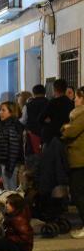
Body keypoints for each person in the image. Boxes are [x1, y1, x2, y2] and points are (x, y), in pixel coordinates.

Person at [62, 87, 84, 238]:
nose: (74, 100)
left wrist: (65, 128)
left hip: (80, 159)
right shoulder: (77, 115)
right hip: (77, 158)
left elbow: (70, 131)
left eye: (77, 97)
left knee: (77, 194)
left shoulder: (81, 114)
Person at [0, 101, 24, 191]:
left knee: (11, 191)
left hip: (10, 164)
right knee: (7, 190)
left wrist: (9, 168)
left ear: (11, 112)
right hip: (6, 163)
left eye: (3, 110)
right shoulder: (6, 124)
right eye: (0, 110)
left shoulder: (12, 125)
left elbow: (14, 147)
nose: (0, 112)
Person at [39, 79, 74, 145]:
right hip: (65, 136)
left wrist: (49, 121)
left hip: (51, 137)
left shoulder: (52, 102)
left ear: (54, 89)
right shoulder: (71, 103)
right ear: (65, 89)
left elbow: (40, 119)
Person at [20, 84, 48, 156]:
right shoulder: (50, 103)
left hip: (33, 134)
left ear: (33, 93)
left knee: (34, 156)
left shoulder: (28, 105)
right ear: (45, 92)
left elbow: (23, 120)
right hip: (47, 134)